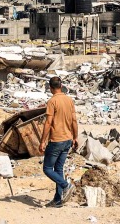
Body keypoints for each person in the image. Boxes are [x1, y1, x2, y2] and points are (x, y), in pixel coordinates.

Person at [40, 76, 79, 207]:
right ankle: (58, 200)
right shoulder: (69, 100)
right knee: (58, 169)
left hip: (56, 140)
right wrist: (75, 137)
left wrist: (42, 141)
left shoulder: (52, 101)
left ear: (51, 88)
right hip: (68, 139)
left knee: (47, 168)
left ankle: (65, 185)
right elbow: (74, 120)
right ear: (61, 86)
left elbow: (48, 123)